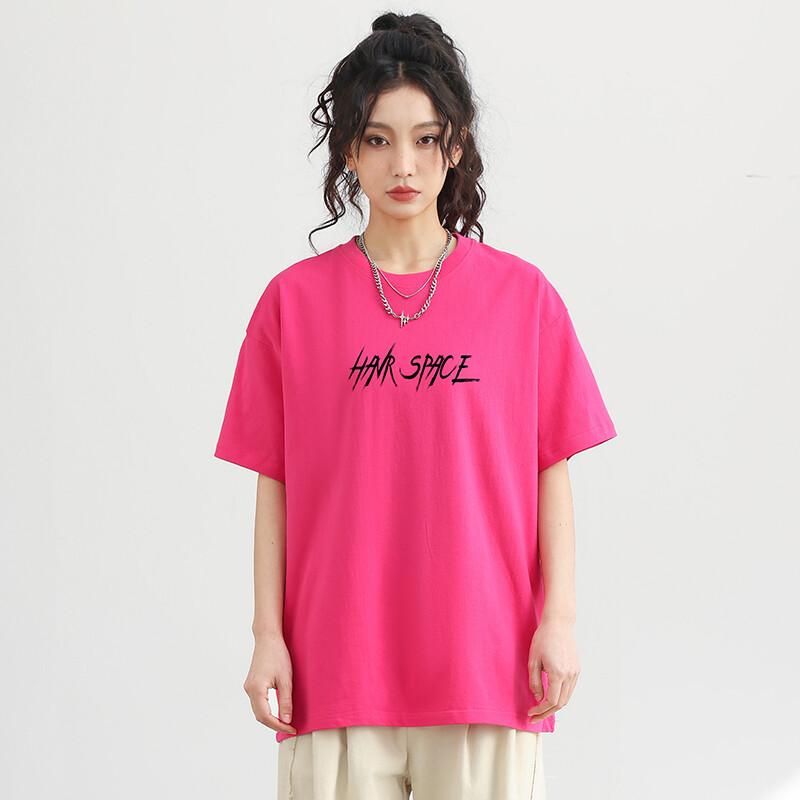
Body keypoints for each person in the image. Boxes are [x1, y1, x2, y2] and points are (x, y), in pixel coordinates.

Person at [213, 11, 617, 800]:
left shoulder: (522, 299)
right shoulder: (293, 304)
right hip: (334, 668)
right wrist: (267, 636)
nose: (403, 165)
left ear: (455, 146)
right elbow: (275, 482)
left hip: (486, 665)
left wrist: (560, 622)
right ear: (348, 150)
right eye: (377, 139)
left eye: (426, 139)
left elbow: (551, 470)